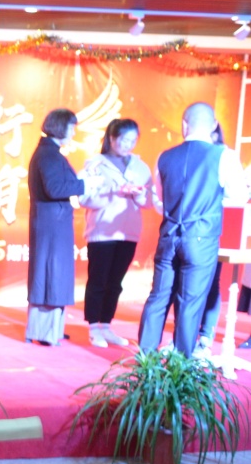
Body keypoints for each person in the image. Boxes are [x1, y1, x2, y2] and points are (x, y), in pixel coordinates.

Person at [139, 103, 249, 356]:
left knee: (158, 297)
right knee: (190, 302)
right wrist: (212, 201)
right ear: (213, 125)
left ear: (184, 124)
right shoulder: (224, 156)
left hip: (168, 236)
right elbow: (239, 197)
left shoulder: (165, 156)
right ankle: (181, 364)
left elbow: (159, 201)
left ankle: (145, 360)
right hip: (201, 238)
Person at [26, 108, 99, 346]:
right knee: (51, 275)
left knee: (54, 275)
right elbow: (55, 188)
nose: (73, 133)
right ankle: (44, 332)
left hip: (53, 223)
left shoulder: (50, 152)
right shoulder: (48, 154)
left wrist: (82, 181)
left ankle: (53, 329)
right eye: (71, 128)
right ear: (60, 127)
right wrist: (85, 184)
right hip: (51, 225)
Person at [78, 119, 153, 348]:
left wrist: (138, 195)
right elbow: (83, 198)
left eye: (132, 140)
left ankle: (106, 326)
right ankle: (94, 327)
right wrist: (113, 191)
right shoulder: (95, 165)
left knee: (116, 283)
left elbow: (149, 201)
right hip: (102, 232)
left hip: (128, 232)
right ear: (111, 138)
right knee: (98, 281)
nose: (128, 145)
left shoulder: (140, 167)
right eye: (124, 140)